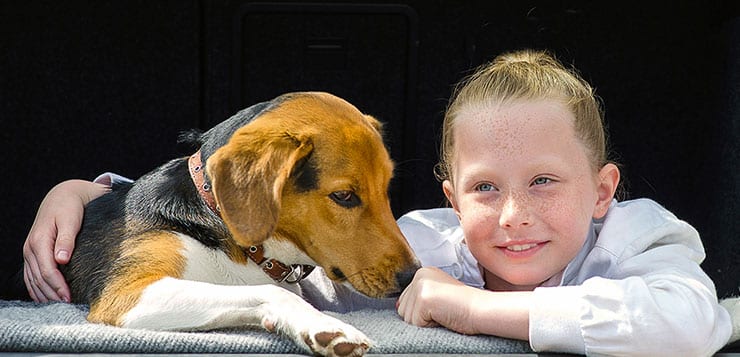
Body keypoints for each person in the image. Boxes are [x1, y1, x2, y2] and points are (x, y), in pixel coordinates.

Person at [22, 50, 735, 355]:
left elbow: (685, 323)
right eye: (486, 188)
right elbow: (267, 248)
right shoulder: (435, 242)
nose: (513, 214)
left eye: (545, 181)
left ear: (606, 191)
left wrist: (475, 308)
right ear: (453, 197)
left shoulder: (641, 237)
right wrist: (88, 193)